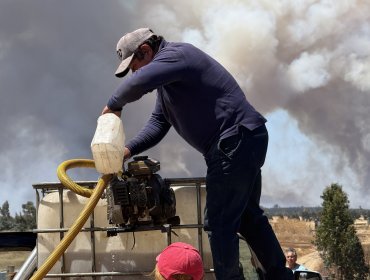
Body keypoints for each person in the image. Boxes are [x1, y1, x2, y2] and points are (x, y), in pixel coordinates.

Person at [101, 27, 293, 280]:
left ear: (146, 51)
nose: (134, 72)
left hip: (234, 141)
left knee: (220, 223)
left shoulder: (177, 55)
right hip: (242, 141)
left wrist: (113, 106)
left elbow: (139, 82)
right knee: (248, 217)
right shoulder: (168, 86)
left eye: (134, 65)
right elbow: (158, 123)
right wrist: (127, 151)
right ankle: (281, 276)